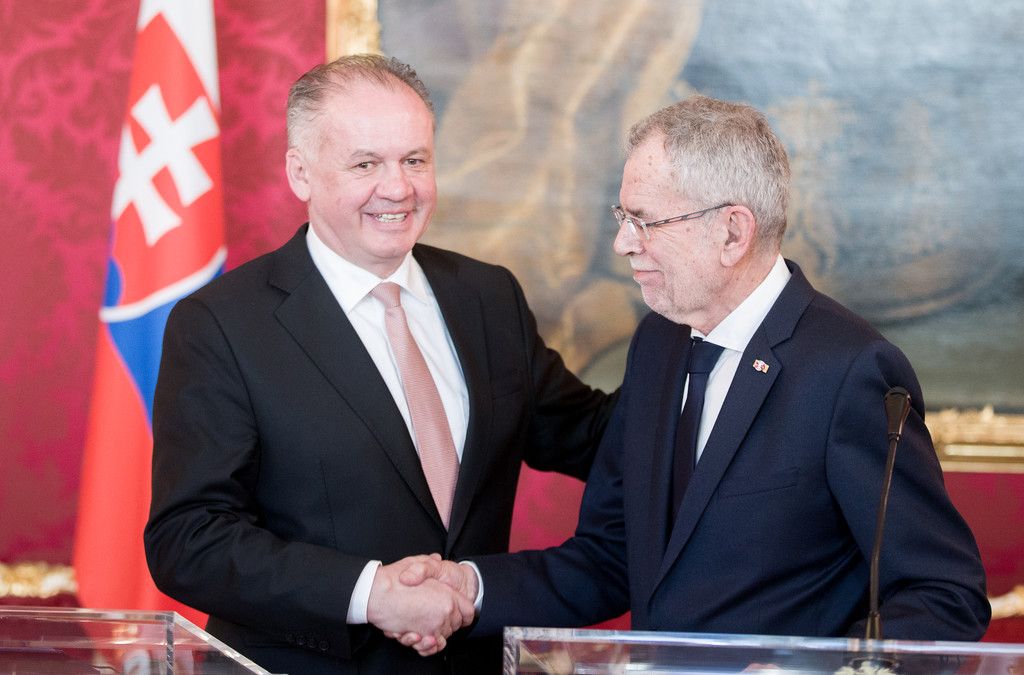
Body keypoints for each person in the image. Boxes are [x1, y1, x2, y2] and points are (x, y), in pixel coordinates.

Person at [396, 94, 990, 648]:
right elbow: (613, 556)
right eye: (622, 216)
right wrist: (470, 587)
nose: (623, 243)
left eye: (645, 221)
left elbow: (945, 594)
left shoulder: (850, 370)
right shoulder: (659, 343)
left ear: (732, 231)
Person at [143, 54, 617, 675]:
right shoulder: (222, 324)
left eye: (414, 160)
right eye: (365, 164)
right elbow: (188, 539)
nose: (398, 188)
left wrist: (704, 340)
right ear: (301, 173)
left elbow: (591, 436)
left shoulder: (488, 296)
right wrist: (370, 594)